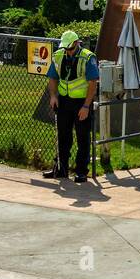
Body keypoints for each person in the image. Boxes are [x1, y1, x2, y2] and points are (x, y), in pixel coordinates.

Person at [44, 30, 99, 182]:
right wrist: (54, 96)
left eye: (70, 48)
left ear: (76, 43)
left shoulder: (88, 57)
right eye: (65, 48)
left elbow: (93, 83)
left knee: (82, 137)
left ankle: (81, 171)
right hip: (64, 101)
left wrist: (86, 106)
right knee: (63, 136)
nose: (67, 51)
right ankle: (61, 169)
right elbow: (53, 77)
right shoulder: (59, 55)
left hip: (81, 103)